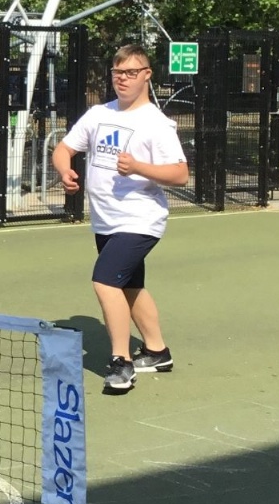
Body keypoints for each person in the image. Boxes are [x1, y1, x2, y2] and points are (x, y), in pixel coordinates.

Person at [51, 43, 189, 395]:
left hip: (140, 220)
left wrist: (139, 167)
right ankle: (158, 351)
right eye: (117, 73)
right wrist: (65, 171)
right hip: (105, 220)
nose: (122, 79)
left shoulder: (156, 124)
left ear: (146, 75)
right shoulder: (99, 114)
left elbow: (180, 174)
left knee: (105, 281)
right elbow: (64, 149)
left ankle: (121, 361)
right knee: (129, 286)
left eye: (130, 72)